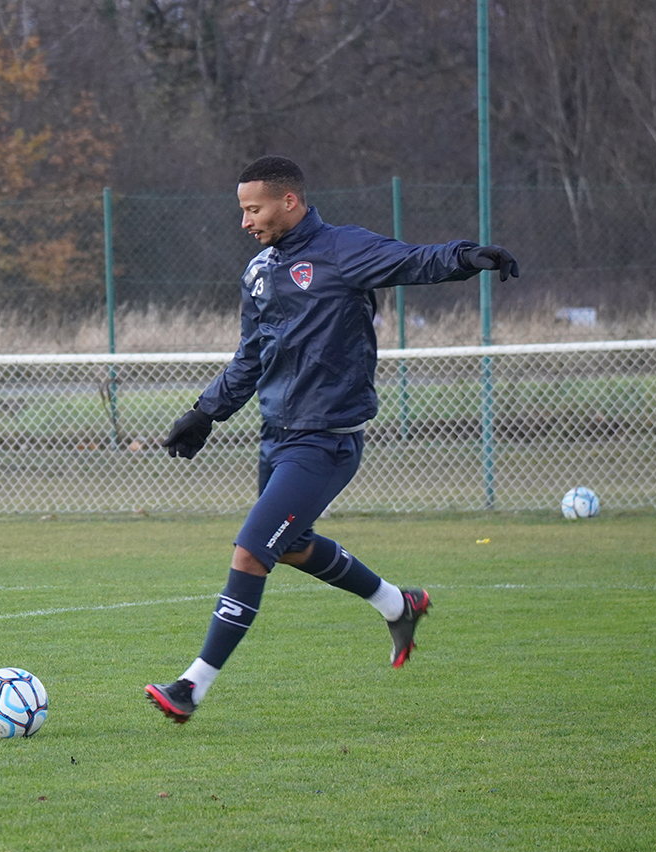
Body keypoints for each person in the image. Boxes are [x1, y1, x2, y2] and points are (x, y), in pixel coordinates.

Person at [145, 155, 518, 724]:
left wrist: (468, 257)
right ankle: (400, 603)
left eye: (254, 208)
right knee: (289, 546)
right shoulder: (259, 272)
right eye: (242, 210)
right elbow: (250, 358)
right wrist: (204, 412)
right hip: (276, 437)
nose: (245, 221)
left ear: (288, 201)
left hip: (327, 440)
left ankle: (191, 688)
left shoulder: (343, 250)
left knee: (251, 550)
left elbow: (414, 261)